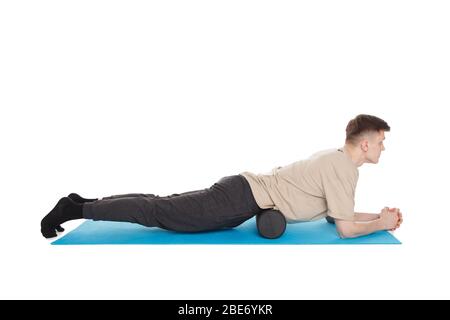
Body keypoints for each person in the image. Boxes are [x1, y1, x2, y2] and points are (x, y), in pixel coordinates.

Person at [40, 114, 403, 239]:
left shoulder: (336, 160)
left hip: (241, 193)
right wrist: (381, 225)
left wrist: (377, 217)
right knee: (157, 212)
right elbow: (344, 229)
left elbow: (337, 214)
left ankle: (80, 203)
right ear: (367, 144)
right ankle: (74, 210)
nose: (384, 148)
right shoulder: (341, 168)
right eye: (382, 142)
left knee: (159, 204)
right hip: (240, 199)